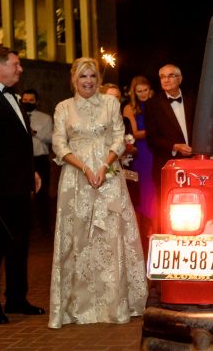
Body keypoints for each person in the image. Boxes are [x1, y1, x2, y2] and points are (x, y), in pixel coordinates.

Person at [49, 57, 147, 328]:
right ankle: (75, 307)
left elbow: (118, 136)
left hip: (109, 176)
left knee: (111, 234)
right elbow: (58, 142)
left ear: (98, 79)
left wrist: (104, 165)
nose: (88, 81)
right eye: (83, 77)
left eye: (92, 76)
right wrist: (83, 167)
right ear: (74, 79)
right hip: (75, 179)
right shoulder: (63, 108)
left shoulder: (110, 103)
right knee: (77, 238)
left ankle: (115, 303)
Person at [0, 46, 44, 323]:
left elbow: (20, 143)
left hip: (19, 186)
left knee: (20, 244)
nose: (20, 68)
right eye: (15, 64)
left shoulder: (14, 97)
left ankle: (16, 298)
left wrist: (32, 173)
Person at [144, 63, 195, 235]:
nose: (166, 79)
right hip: (165, 164)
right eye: (162, 77)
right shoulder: (152, 104)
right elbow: (151, 138)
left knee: (193, 205)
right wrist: (175, 147)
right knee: (166, 207)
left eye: (170, 75)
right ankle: (167, 241)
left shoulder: (192, 99)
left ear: (179, 79)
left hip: (194, 163)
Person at [123, 75, 155, 242]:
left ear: (150, 90)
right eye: (139, 91)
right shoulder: (130, 108)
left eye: (145, 90)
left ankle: (154, 225)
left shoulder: (156, 105)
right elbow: (134, 133)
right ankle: (142, 228)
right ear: (134, 92)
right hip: (141, 152)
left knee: (155, 188)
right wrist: (158, 130)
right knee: (144, 188)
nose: (143, 94)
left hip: (154, 150)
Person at [20, 88, 54, 236]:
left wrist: (33, 132)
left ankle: (44, 227)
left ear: (37, 102)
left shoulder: (45, 118)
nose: (27, 103)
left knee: (42, 194)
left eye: (31, 100)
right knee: (21, 194)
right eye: (25, 100)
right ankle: (24, 226)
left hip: (40, 160)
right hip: (21, 160)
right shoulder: (16, 115)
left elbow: (50, 138)